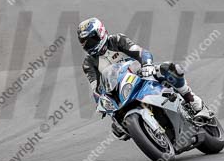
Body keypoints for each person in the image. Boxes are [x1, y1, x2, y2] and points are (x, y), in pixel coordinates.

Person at [78, 18, 210, 139]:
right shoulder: (88, 63)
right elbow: (95, 87)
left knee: (171, 69)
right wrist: (101, 102)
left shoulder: (117, 40)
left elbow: (141, 52)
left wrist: (146, 64)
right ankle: (145, 132)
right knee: (117, 128)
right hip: (120, 92)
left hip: (140, 74)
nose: (89, 45)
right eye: (85, 43)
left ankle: (195, 103)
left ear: (100, 32)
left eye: (92, 40)